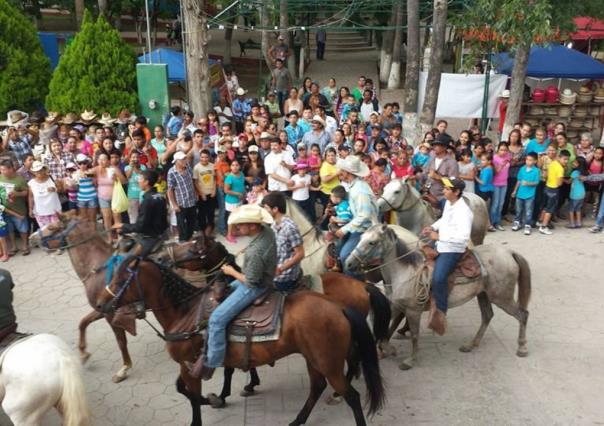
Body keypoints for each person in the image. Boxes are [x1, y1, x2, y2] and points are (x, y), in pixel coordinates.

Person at [188, 204, 276, 380]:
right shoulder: (266, 231)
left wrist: (231, 272)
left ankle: (212, 362)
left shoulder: (256, 251)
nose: (236, 228)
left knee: (216, 319)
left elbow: (251, 281)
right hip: (263, 274)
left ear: (252, 225)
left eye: (240, 225)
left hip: (256, 286)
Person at [423, 177, 473, 335]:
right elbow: (444, 220)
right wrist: (432, 226)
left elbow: (463, 238)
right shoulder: (449, 204)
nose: (443, 190)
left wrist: (439, 237)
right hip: (441, 244)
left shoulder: (464, 211)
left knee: (438, 278)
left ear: (456, 192)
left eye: (447, 189)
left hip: (453, 249)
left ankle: (441, 314)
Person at [335, 155, 377, 278]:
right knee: (337, 248)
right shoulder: (354, 186)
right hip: (357, 225)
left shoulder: (359, 190)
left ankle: (357, 285)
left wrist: (344, 229)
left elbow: (364, 215)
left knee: (346, 257)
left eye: (341, 170)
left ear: (347, 173)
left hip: (365, 229)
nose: (339, 172)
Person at [114, 169, 168, 258]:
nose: (138, 181)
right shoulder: (160, 196)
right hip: (161, 234)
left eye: (140, 179)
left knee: (125, 262)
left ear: (146, 182)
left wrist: (122, 226)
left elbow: (140, 226)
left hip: (149, 238)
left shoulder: (147, 201)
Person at [262, 192, 305, 292]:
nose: (265, 211)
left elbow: (300, 254)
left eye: (266, 208)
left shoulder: (289, 228)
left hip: (284, 276)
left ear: (275, 209)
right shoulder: (273, 224)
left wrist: (280, 269)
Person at [0, 160, 29, 255]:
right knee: (10, 230)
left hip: (19, 209)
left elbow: (26, 192)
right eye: (1, 169)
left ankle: (25, 246)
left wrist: (17, 194)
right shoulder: (0, 178)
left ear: (11, 169)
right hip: (5, 210)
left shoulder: (20, 179)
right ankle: (14, 246)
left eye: (4, 169)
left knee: (23, 229)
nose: (2, 171)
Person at [538, 150, 569, 235]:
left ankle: (540, 221)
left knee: (545, 206)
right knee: (550, 209)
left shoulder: (553, 163)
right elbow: (559, 183)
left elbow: (547, 174)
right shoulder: (560, 169)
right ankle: (543, 227)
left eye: (567, 160)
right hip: (554, 190)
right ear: (559, 158)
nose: (566, 161)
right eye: (564, 159)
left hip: (547, 187)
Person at [167, 151, 197, 242]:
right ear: (176, 161)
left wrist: (196, 193)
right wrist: (174, 205)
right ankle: (183, 241)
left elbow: (192, 181)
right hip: (181, 203)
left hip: (191, 200)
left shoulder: (187, 167)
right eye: (183, 159)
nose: (185, 160)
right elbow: (170, 190)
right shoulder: (171, 172)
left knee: (191, 221)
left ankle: (190, 238)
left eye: (185, 158)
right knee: (181, 224)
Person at [424, 134, 459, 210]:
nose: (434, 147)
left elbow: (453, 184)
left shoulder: (452, 163)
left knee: (446, 215)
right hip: (427, 192)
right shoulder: (431, 159)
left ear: (444, 147)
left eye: (437, 145)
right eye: (434, 145)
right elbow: (425, 174)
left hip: (443, 196)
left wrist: (438, 177)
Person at [511, 152, 540, 235]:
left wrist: (528, 183)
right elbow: (519, 181)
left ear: (535, 161)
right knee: (518, 210)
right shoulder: (522, 169)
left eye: (530, 160)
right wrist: (514, 191)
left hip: (530, 195)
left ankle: (527, 225)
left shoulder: (536, 171)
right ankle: (517, 222)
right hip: (520, 194)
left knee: (528, 211)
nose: (528, 161)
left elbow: (536, 182)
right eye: (527, 159)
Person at [27, 161, 61, 228]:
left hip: (55, 211)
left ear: (44, 169)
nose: (39, 172)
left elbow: (61, 189)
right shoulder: (31, 183)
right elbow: (30, 197)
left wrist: (55, 189)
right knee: (46, 233)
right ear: (34, 172)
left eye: (40, 170)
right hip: (40, 213)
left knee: (58, 230)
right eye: (37, 171)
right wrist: (30, 209)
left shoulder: (52, 177)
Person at [193, 149, 216, 237]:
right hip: (202, 194)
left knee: (211, 212)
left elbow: (214, 179)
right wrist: (201, 193)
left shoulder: (212, 166)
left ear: (209, 157)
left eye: (206, 157)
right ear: (200, 157)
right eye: (202, 157)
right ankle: (202, 229)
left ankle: (210, 227)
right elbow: (195, 182)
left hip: (211, 193)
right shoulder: (196, 168)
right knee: (202, 213)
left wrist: (214, 190)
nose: (204, 159)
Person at [490, 142, 511, 231]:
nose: (503, 152)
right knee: (495, 204)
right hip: (495, 183)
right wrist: (500, 166)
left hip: (504, 183)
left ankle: (498, 222)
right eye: (501, 150)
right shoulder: (494, 158)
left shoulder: (508, 156)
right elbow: (495, 172)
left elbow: (511, 161)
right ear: (497, 149)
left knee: (501, 204)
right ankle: (491, 222)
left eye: (505, 150)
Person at [224, 159, 246, 243]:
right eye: (233, 165)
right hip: (231, 201)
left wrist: (243, 194)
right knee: (231, 218)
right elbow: (226, 190)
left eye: (236, 165)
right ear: (230, 167)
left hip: (239, 199)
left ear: (239, 166)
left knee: (237, 216)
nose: (235, 167)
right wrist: (237, 194)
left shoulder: (241, 174)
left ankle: (234, 232)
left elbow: (242, 185)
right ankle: (229, 235)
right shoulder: (229, 177)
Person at [567, 157, 587, 229]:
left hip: (575, 194)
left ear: (579, 164)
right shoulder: (584, 172)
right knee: (578, 209)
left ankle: (572, 223)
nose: (573, 163)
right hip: (582, 193)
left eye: (575, 162)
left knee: (571, 209)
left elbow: (569, 181)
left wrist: (562, 179)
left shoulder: (575, 172)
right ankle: (579, 223)